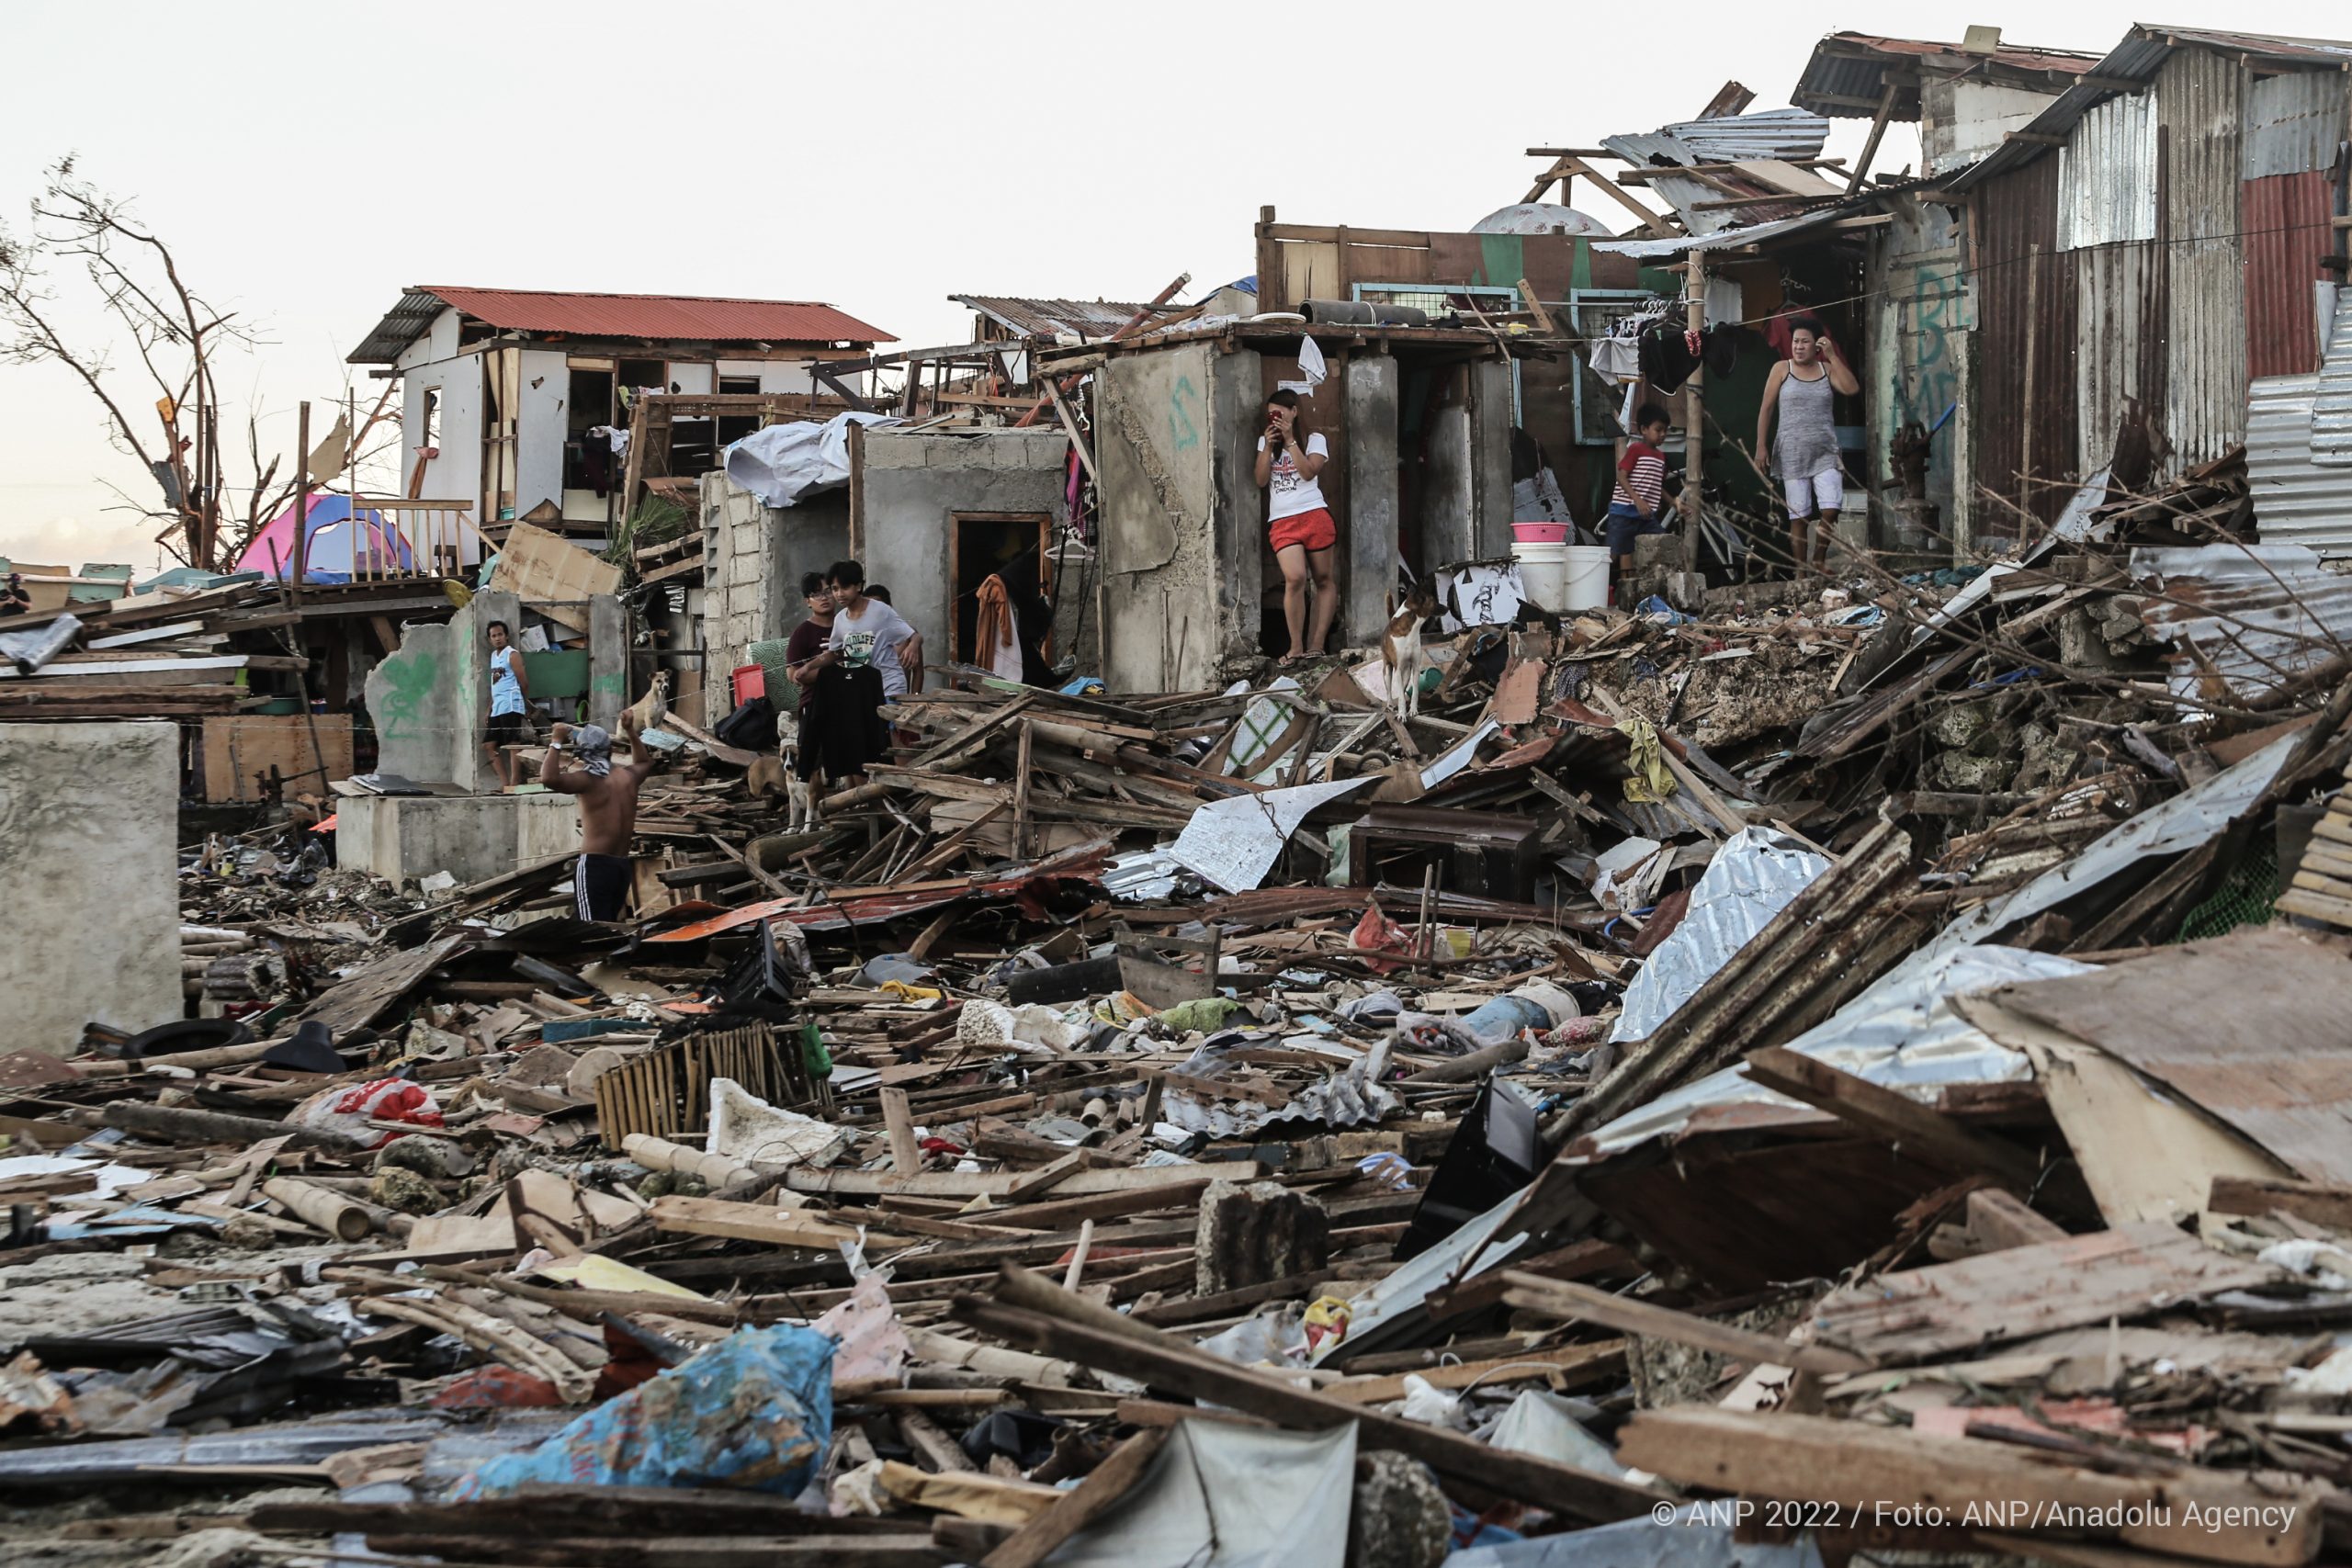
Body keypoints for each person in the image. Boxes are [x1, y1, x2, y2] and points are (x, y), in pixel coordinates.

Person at [1756, 316, 1859, 575]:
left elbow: (1852, 388)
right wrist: (1761, 446)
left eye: (1805, 342)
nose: (1798, 347)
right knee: (1799, 517)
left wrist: (1833, 356)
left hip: (1825, 452)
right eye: (1795, 341)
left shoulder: (1827, 369)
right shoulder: (1781, 369)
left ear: (1817, 346)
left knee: (1831, 508)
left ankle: (1819, 560)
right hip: (1792, 453)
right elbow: (1766, 409)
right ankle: (1801, 571)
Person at [802, 559, 921, 780]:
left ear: (858, 586)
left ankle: (908, 783)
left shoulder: (880, 611)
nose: (839, 594)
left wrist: (912, 647)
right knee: (862, 741)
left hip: (888, 685)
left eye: (844, 587)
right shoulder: (840, 620)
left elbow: (913, 634)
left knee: (895, 732)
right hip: (860, 690)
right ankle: (869, 794)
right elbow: (836, 652)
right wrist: (810, 666)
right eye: (834, 589)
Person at [540, 714, 652, 922]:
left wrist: (556, 742)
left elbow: (548, 778)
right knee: (609, 926)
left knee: (591, 930)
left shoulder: (588, 780)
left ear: (582, 753)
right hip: (621, 867)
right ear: (610, 750)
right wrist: (630, 731)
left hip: (595, 866)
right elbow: (644, 762)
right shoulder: (628, 777)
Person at [1253, 389, 1336, 666]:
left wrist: (1290, 441)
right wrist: (1268, 446)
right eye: (1271, 414)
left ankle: (1316, 645)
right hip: (1283, 521)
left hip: (1314, 515)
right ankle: (1296, 645)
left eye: (1280, 412)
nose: (1276, 417)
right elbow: (1261, 480)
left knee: (1323, 580)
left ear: (1294, 412)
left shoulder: (1315, 440)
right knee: (1295, 578)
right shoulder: (1265, 444)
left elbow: (1309, 471)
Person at [1604, 403, 1675, 594]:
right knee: (1614, 553)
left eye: (1665, 431)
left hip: (1645, 517)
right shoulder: (1636, 449)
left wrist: (1674, 502)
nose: (1662, 435)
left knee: (1662, 541)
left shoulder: (1660, 457)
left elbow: (1657, 486)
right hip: (1624, 512)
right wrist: (1637, 500)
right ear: (1644, 430)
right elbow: (1621, 475)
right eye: (1658, 430)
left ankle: (1637, 589)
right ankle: (1602, 585)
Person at [782, 572, 838, 781]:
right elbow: (792, 674)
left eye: (827, 591)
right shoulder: (803, 632)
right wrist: (832, 674)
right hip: (815, 704)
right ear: (808, 601)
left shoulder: (847, 624)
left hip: (848, 700)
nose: (824, 598)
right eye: (816, 594)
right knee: (814, 764)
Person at [481, 620, 530, 787]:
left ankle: (514, 783)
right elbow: (496, 685)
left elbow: (523, 682)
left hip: (511, 704)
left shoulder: (512, 654)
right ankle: (504, 784)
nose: (497, 638)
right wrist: (489, 709)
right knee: (489, 745)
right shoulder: (494, 656)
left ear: (506, 636)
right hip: (498, 706)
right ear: (490, 639)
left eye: (500, 634)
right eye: (493, 636)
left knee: (512, 743)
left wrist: (523, 705)